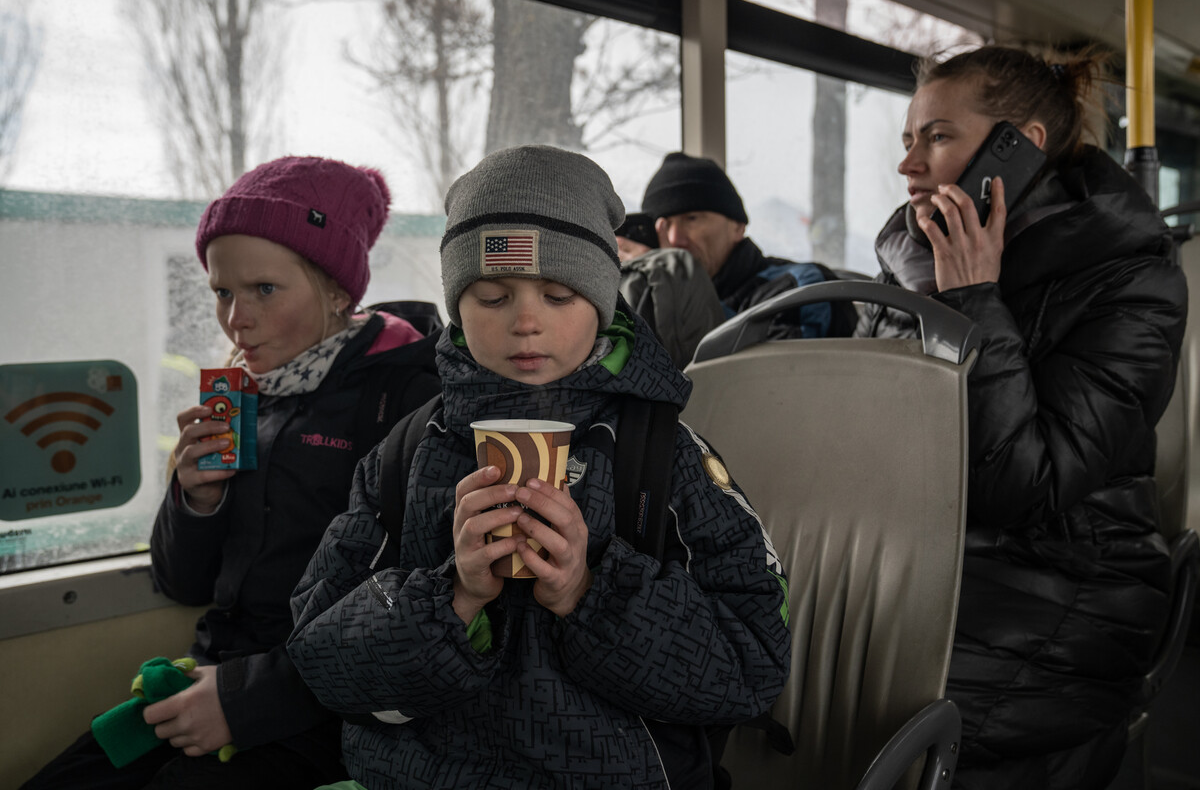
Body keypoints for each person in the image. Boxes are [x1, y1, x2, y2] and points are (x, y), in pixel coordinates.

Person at [287, 144, 792, 789]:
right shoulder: (406, 455)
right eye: (493, 296)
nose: (527, 322)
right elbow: (320, 659)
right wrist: (454, 597)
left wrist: (590, 592)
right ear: (458, 312)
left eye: (558, 294)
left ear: (604, 301)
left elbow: (752, 666)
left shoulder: (662, 459)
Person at [21, 156, 442, 789]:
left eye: (264, 290)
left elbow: (415, 607)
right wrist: (195, 500)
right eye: (222, 292)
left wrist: (246, 699)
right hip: (211, 673)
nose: (235, 319)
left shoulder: (409, 397)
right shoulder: (246, 396)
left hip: (323, 710)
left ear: (336, 290)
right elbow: (182, 581)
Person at [856, 45, 1187, 789]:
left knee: (872, 723)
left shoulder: (1133, 280)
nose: (909, 166)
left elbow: (1023, 488)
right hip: (917, 562)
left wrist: (973, 302)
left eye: (936, 138)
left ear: (1018, 147)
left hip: (1068, 585)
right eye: (908, 141)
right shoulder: (911, 261)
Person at [631, 152, 856, 356]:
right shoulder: (652, 298)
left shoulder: (801, 287)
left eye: (692, 219)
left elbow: (765, 382)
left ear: (737, 226)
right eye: (663, 227)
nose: (674, 239)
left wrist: (674, 284)